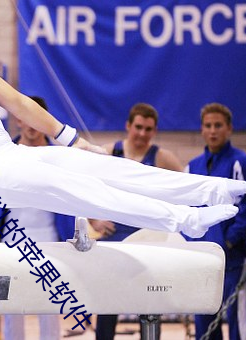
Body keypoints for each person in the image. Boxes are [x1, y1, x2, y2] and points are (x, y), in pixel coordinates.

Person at [0, 20, 246, 250]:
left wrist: (69, 138)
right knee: (86, 192)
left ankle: (209, 189)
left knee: (108, 169)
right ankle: (183, 220)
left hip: (14, 155)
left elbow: (20, 103)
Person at [92, 102, 183, 340]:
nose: (142, 134)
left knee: (150, 301)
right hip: (114, 236)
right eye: (138, 127)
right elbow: (82, 189)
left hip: (148, 240)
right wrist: (94, 219)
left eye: (148, 129)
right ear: (128, 126)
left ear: (154, 131)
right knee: (107, 302)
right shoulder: (108, 152)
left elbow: (186, 192)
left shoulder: (162, 158)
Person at [0, 96, 74, 340]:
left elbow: (73, 198)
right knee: (11, 306)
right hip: (11, 239)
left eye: (36, 119)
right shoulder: (3, 153)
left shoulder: (59, 158)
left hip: (50, 238)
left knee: (51, 307)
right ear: (18, 119)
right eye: (26, 118)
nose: (31, 125)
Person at [184, 103, 246, 340]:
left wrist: (229, 241)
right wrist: (192, 243)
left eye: (218, 125)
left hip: (233, 257)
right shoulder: (192, 167)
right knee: (204, 321)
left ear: (229, 129)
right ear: (202, 130)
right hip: (202, 259)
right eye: (208, 126)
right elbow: (185, 209)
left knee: (239, 320)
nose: (213, 131)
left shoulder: (242, 163)